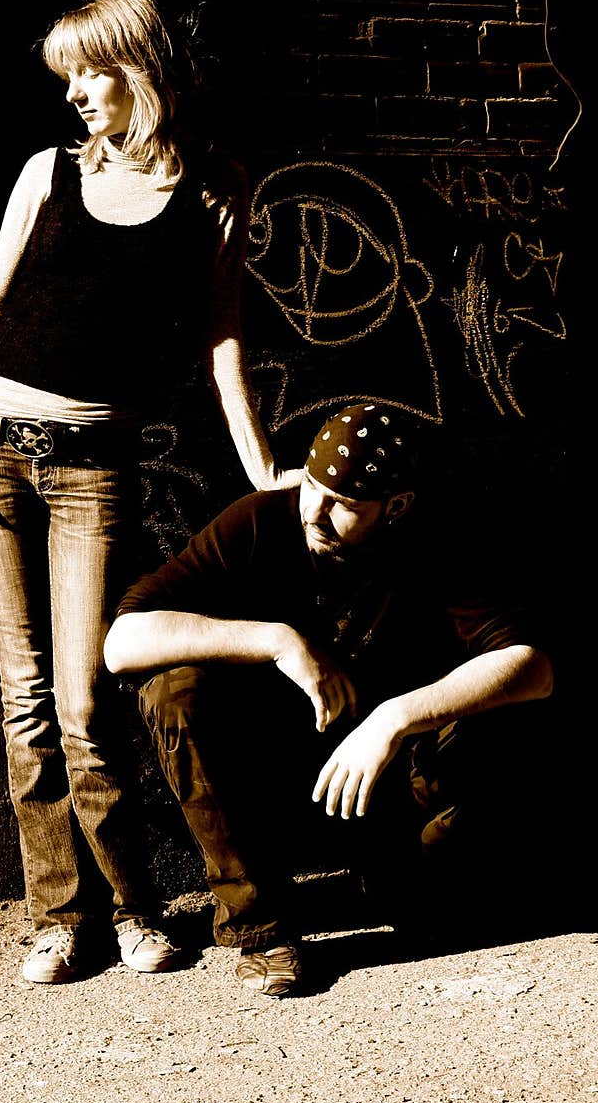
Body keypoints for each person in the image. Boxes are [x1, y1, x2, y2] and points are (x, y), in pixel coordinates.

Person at [0, 0, 296, 986]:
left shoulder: (217, 187)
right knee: (26, 698)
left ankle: (133, 906)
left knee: (87, 700)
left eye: (92, 72)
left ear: (142, 69)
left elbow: (225, 344)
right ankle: (58, 917)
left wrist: (265, 473)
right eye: (67, 77)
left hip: (94, 469)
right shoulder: (45, 173)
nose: (77, 93)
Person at [104, 402, 554, 997]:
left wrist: (396, 719)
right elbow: (123, 643)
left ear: (396, 507)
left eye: (343, 503)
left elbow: (533, 667)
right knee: (174, 689)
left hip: (380, 780)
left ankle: (398, 879)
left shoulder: (436, 542)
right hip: (272, 774)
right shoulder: (263, 520)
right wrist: (275, 641)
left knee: (445, 912)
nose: (314, 511)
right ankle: (262, 929)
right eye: (312, 487)